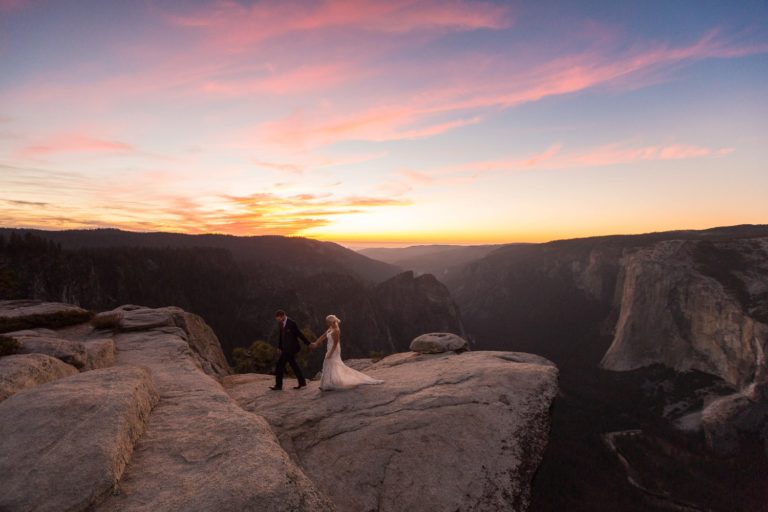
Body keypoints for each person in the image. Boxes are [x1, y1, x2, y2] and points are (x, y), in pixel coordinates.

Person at [311, 314, 384, 391]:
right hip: (330, 347)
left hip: (334, 349)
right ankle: (327, 383)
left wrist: (330, 353)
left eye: (328, 322)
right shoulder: (330, 328)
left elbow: (335, 344)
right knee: (329, 364)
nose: (327, 324)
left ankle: (328, 384)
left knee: (329, 362)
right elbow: (323, 336)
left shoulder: (336, 331)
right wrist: (316, 343)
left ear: (332, 322)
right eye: (327, 322)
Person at [270, 309, 311, 390]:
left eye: (278, 319)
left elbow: (299, 334)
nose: (278, 321)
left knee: (279, 366)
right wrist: (279, 347)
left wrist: (308, 343)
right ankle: (302, 382)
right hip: (285, 349)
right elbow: (281, 336)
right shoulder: (281, 323)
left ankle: (278, 386)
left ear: (282, 316)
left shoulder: (292, 323)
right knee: (293, 365)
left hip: (291, 349)